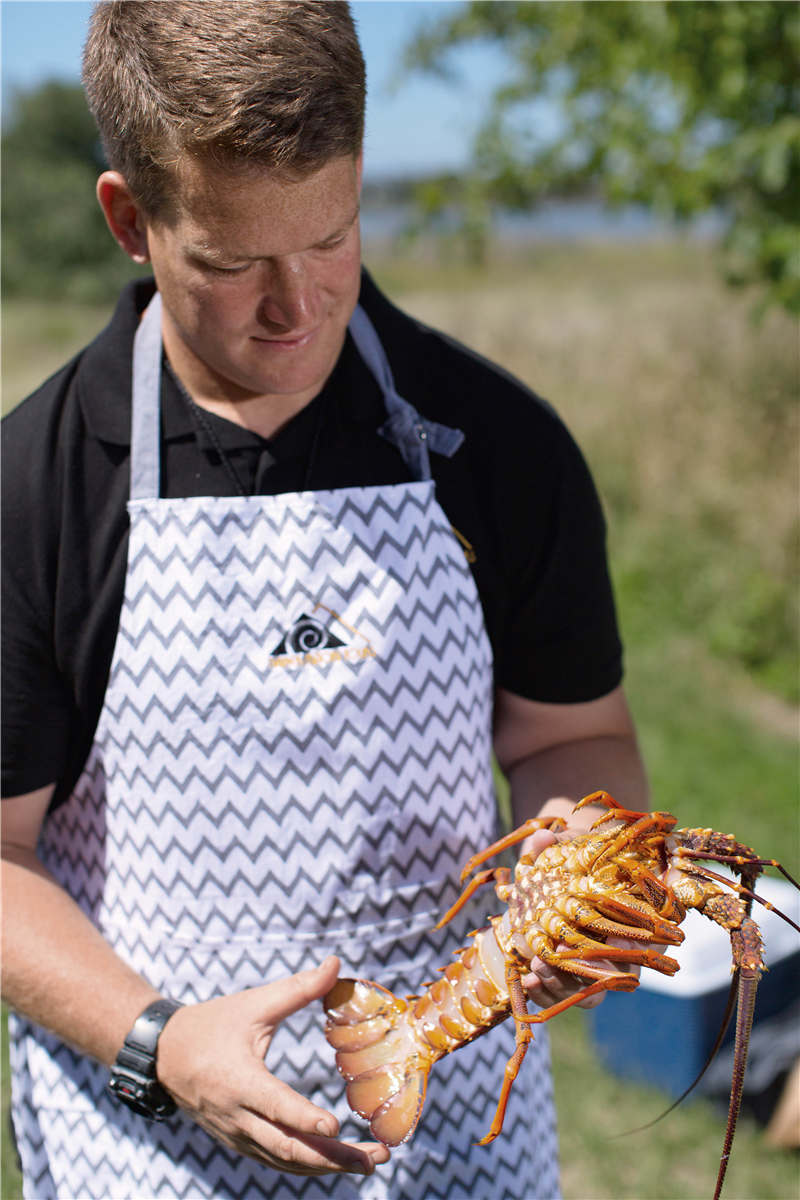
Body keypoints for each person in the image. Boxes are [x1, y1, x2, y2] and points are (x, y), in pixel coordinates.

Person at [1, 3, 650, 1198]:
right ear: (129, 221)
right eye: (235, 262)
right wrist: (163, 1043)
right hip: (148, 1149)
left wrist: (580, 840)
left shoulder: (501, 447)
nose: (297, 311)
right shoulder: (34, 490)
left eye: (334, 238)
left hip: (460, 1139)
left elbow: (574, 735)